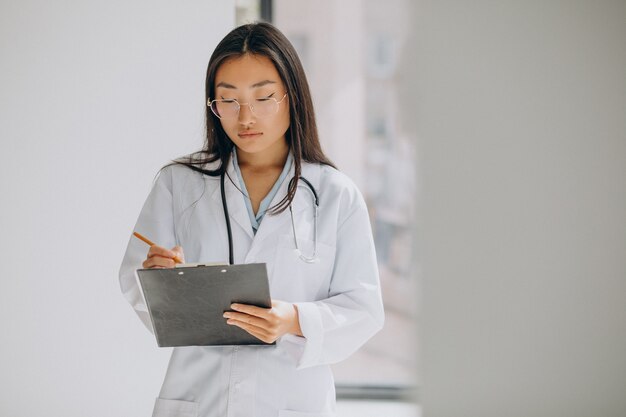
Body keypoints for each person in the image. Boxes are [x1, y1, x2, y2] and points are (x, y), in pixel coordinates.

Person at [119, 22, 384, 417]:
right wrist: (158, 281)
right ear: (213, 105)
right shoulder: (179, 184)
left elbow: (363, 308)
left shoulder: (334, 194)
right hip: (200, 398)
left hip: (292, 400)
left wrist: (295, 319)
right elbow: (135, 282)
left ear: (292, 97)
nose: (245, 117)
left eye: (263, 98)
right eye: (228, 100)